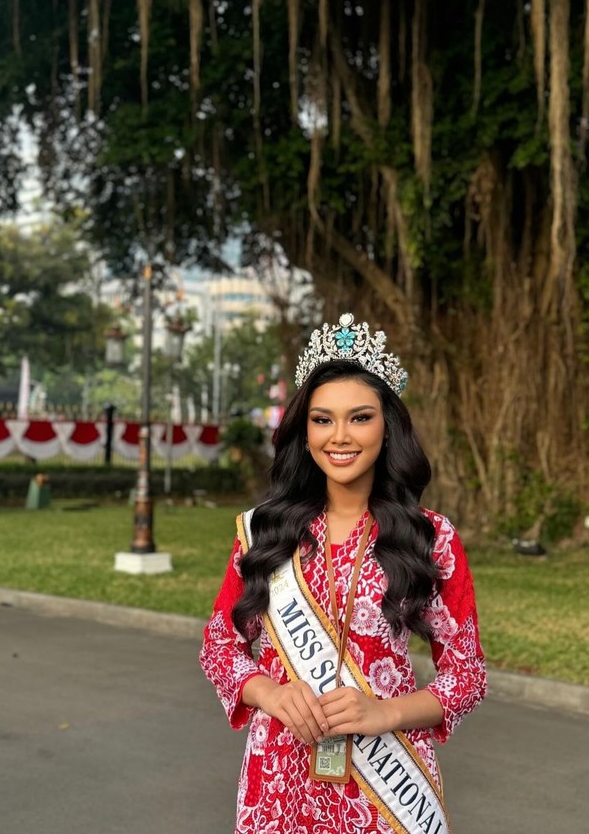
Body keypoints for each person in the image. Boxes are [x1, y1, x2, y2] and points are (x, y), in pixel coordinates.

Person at [200, 313, 486, 834]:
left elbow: (467, 675)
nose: (339, 436)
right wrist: (269, 692)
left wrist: (385, 713)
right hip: (279, 777)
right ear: (304, 428)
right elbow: (220, 647)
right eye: (322, 419)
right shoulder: (265, 532)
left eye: (360, 417)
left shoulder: (430, 537)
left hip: (389, 783)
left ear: (387, 426)